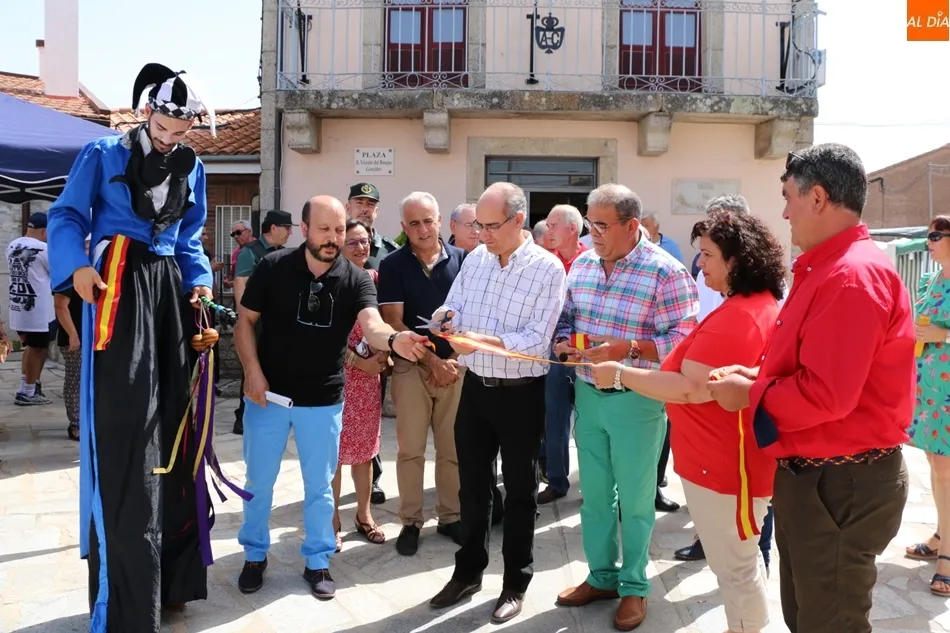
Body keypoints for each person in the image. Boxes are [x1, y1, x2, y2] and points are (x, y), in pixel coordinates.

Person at [707, 143, 913, 633]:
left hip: (840, 484)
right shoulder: (829, 267)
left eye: (788, 197)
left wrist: (750, 395)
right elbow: (819, 369)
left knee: (830, 622)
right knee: (808, 616)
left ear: (817, 197)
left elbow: (827, 395)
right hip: (820, 478)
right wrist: (757, 377)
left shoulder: (850, 276)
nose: (784, 212)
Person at [47, 62, 216, 633]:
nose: (173, 137)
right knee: (126, 434)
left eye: (183, 128)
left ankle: (172, 583)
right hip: (117, 283)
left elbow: (190, 238)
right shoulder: (101, 153)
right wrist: (75, 270)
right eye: (167, 125)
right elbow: (68, 215)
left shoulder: (194, 167)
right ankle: (123, 601)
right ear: (149, 112)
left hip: (169, 289)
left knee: (174, 427)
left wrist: (203, 283)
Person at [589, 210, 786, 633]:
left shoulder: (742, 315)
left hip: (725, 469)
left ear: (738, 260)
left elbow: (690, 388)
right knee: (741, 567)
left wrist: (620, 372)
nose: (701, 264)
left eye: (709, 255)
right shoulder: (750, 305)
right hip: (721, 463)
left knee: (736, 571)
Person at [234, 195, 429, 600]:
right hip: (268, 396)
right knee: (259, 482)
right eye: (324, 229)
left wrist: (395, 339)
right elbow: (245, 322)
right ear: (304, 229)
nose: (333, 238)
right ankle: (254, 555)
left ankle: (318, 560)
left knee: (321, 486)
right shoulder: (273, 267)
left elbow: (372, 325)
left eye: (339, 229)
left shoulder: (356, 278)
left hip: (323, 399)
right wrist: (252, 371)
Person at [552, 184, 697, 631]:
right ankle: (601, 577)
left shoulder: (666, 272)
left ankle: (634, 587)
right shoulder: (582, 265)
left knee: (634, 503)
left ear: (632, 226)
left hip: (637, 400)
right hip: (589, 400)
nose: (591, 232)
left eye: (601, 224)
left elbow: (685, 342)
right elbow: (567, 315)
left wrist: (629, 347)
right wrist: (563, 341)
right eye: (589, 222)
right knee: (595, 499)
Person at [427, 182, 566, 624]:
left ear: (518, 220)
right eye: (476, 226)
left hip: (521, 393)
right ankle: (467, 572)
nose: (481, 234)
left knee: (522, 492)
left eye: (490, 226)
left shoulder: (547, 269)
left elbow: (536, 340)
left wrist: (484, 341)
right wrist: (445, 322)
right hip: (475, 389)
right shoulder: (476, 261)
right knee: (472, 486)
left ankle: (515, 583)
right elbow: (453, 308)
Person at [378, 192, 467, 556]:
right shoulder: (393, 265)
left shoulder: (465, 261)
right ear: (403, 228)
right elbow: (393, 321)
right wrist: (433, 362)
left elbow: (472, 316)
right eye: (413, 223)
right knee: (411, 450)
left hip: (456, 366)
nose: (422, 228)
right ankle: (411, 522)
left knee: (452, 449)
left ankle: (450, 516)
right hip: (412, 366)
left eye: (428, 220)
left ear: (440, 220)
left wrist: (453, 359)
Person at [333, 219, 388, 550]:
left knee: (366, 452)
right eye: (352, 242)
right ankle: (333, 520)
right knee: (334, 454)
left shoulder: (376, 279)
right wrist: (357, 362)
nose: (361, 247)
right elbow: (324, 336)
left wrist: (381, 357)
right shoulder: (329, 281)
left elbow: (386, 323)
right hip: (337, 377)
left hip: (369, 381)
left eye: (365, 241)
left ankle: (364, 515)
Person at [905, 215, 950, 596]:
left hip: (948, 393)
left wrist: (945, 334)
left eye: (935, 235)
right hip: (930, 390)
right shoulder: (931, 279)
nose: (928, 241)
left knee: (948, 472)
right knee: (936, 467)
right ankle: (940, 534)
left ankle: (947, 557)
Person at [346, 181, 399, 504]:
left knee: (371, 419)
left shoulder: (389, 253)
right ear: (348, 206)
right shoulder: (335, 248)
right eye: (359, 203)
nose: (365, 208)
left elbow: (391, 306)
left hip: (378, 349)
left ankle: (373, 479)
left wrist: (387, 350)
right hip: (345, 352)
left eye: (371, 204)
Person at [537, 204, 587, 503]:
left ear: (572, 229)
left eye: (553, 224)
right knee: (554, 419)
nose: (548, 229)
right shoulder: (544, 262)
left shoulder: (592, 261)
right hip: (554, 353)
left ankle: (594, 481)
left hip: (588, 353)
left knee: (590, 423)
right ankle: (556, 480)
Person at [231, 210, 293, 434]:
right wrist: (244, 320)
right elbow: (241, 283)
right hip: (257, 320)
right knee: (252, 364)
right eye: (287, 228)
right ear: (273, 228)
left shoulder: (284, 253)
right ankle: (243, 416)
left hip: (279, 321)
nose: (290, 232)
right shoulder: (250, 252)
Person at [7, 212, 54, 406]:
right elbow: (58, 272)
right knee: (38, 349)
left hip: (19, 306)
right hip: (39, 310)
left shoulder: (11, 245)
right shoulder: (44, 248)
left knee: (29, 347)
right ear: (44, 230)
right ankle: (28, 391)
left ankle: (25, 385)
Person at [53, 235, 91, 440]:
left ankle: (88, 421)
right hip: (75, 338)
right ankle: (75, 424)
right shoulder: (69, 270)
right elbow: (60, 306)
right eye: (85, 245)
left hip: (92, 336)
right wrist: (73, 336)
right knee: (75, 381)